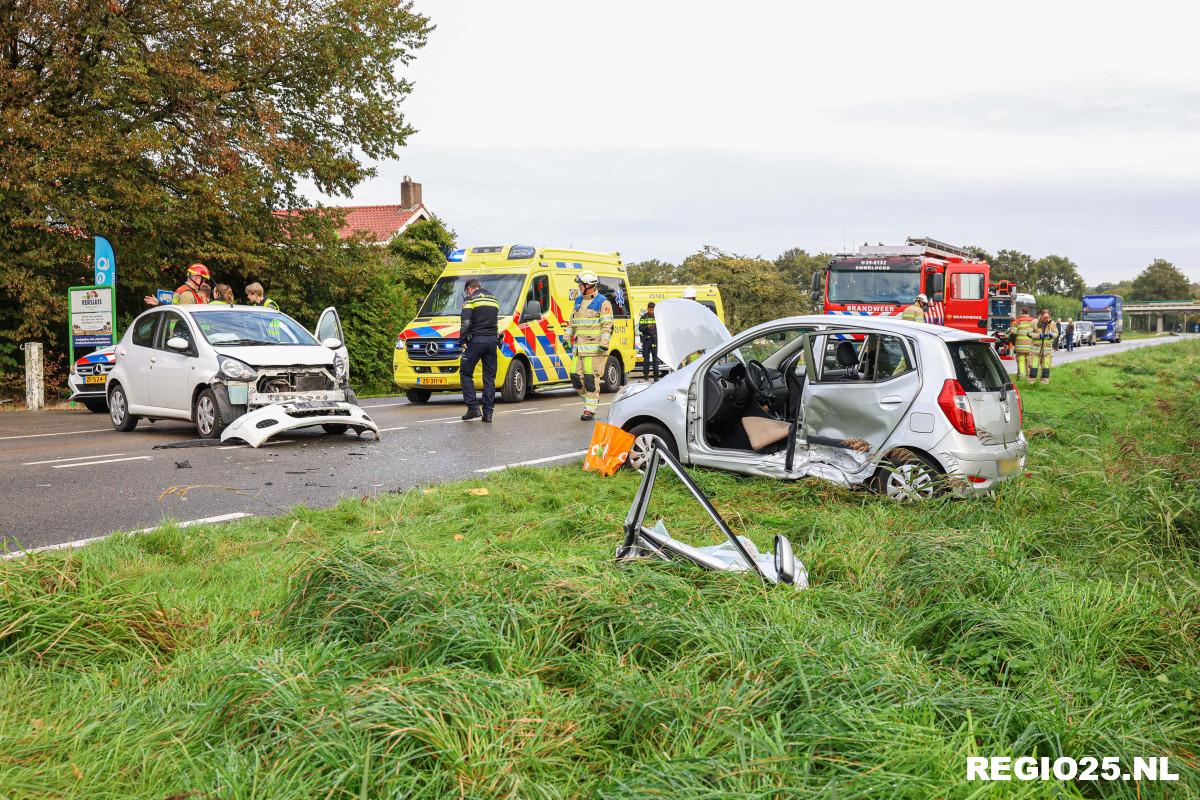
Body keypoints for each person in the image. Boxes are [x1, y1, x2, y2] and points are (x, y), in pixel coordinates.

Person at [567, 271, 614, 421]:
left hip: (595, 350)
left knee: (590, 379)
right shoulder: (578, 301)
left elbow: (607, 324)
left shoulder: (602, 302)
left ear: (588, 285)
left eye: (580, 285)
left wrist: (604, 343)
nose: (579, 287)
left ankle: (590, 410)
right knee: (575, 377)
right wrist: (567, 336)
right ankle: (590, 400)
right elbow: (572, 322)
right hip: (579, 348)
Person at [458, 278, 500, 422]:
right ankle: (488, 414)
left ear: (469, 289)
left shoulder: (470, 299)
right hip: (492, 342)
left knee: (465, 372)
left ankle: (473, 408)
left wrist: (462, 340)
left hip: (476, 341)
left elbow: (466, 322)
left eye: (467, 291)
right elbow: (495, 322)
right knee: (489, 379)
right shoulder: (493, 299)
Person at [143, 262, 210, 306]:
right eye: (203, 280)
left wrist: (159, 303)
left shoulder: (183, 290)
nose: (204, 284)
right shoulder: (187, 295)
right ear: (197, 278)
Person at [1029, 308, 1059, 385]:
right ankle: (1031, 383)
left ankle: (1044, 384)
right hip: (1036, 351)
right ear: (1041, 316)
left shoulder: (1052, 323)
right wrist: (1038, 336)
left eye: (1047, 318)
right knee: (1033, 368)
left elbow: (1056, 333)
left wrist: (1052, 335)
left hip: (1047, 351)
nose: (1046, 319)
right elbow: (1028, 333)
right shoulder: (1034, 322)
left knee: (1046, 369)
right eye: (1045, 318)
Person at [1009, 306, 1035, 381]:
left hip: (1020, 347)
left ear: (1021, 312)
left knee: (1021, 361)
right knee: (1029, 361)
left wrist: (1014, 343)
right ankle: (1028, 377)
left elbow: (1013, 334)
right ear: (1028, 313)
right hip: (1030, 346)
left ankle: (1022, 377)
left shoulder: (1017, 321)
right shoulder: (1033, 321)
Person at [638, 302, 659, 381]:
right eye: (650, 310)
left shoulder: (657, 317)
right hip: (646, 340)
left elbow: (660, 328)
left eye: (652, 310)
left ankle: (656, 376)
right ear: (647, 309)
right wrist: (647, 327)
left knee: (655, 358)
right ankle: (646, 376)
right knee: (646, 358)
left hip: (654, 340)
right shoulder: (643, 317)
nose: (651, 311)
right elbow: (640, 328)